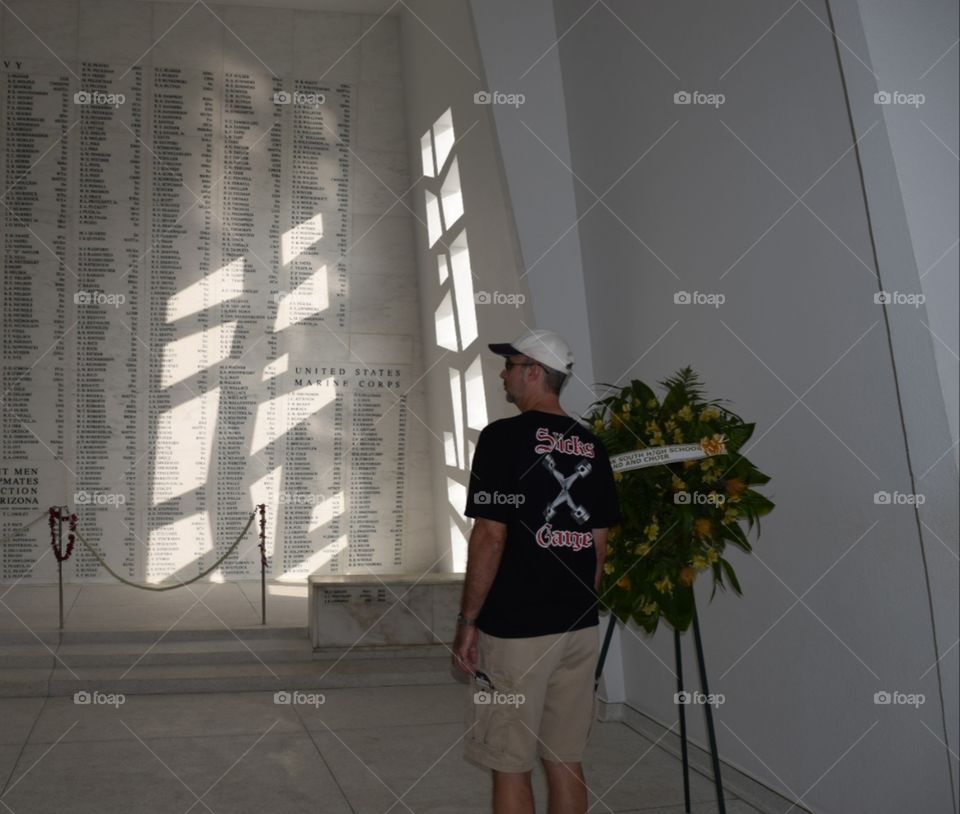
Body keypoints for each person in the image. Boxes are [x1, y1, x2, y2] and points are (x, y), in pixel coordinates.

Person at [453, 329, 622, 814]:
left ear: (534, 372)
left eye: (510, 365)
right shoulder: (592, 445)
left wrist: (468, 623)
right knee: (565, 757)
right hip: (577, 625)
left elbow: (490, 535)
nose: (503, 373)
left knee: (510, 760)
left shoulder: (502, 438)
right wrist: (575, 606)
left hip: (517, 628)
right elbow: (599, 543)